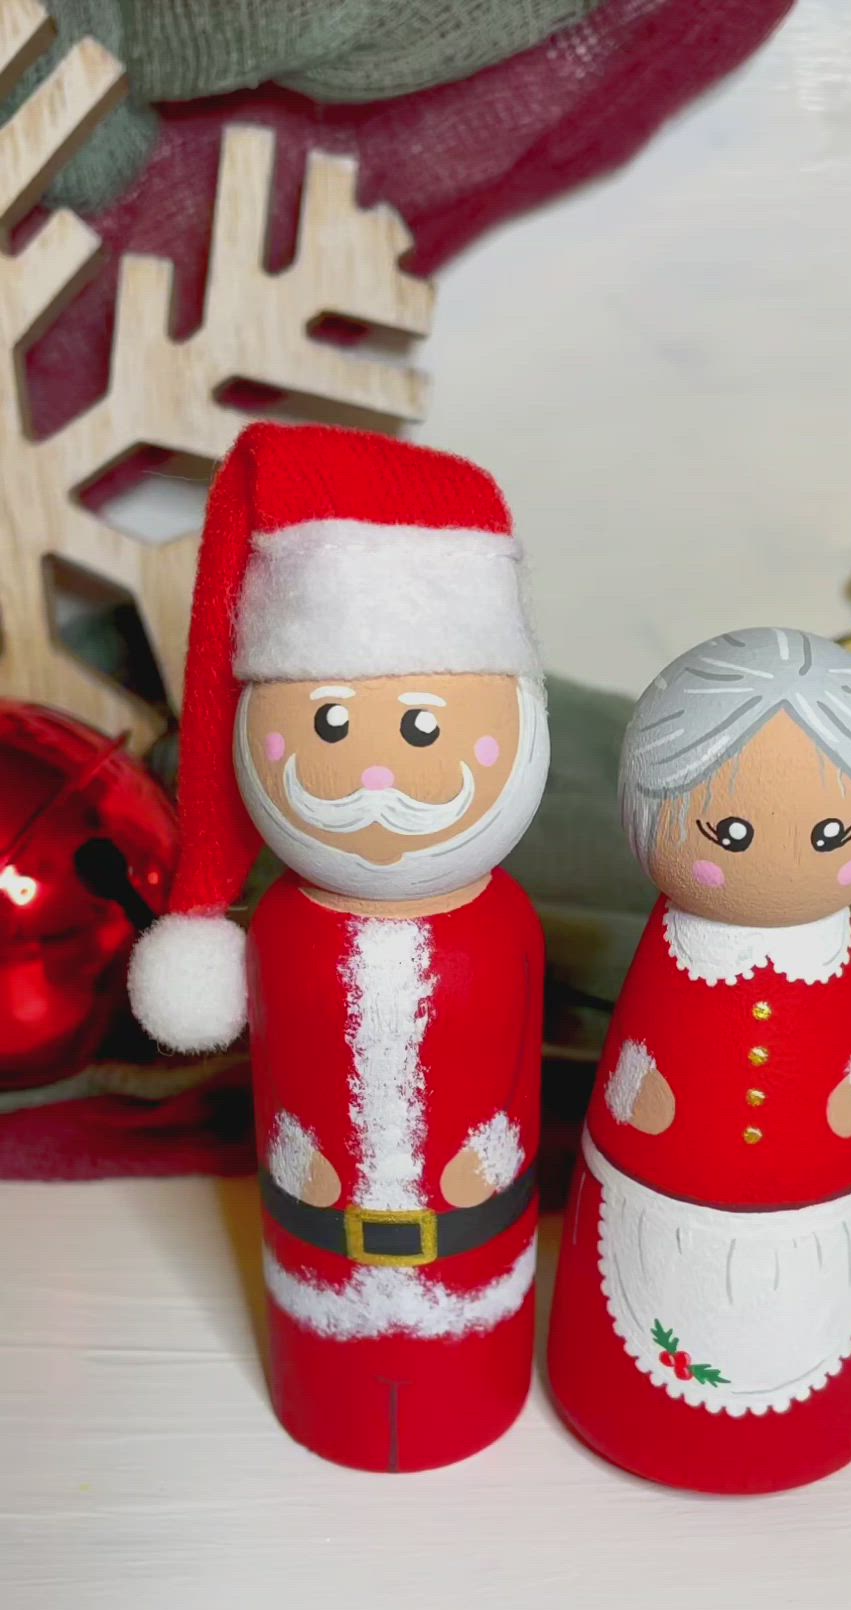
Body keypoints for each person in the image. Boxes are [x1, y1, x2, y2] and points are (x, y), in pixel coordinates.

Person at [129, 422, 549, 1473]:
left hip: (474, 1268)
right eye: (324, 724)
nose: (372, 774)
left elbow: (503, 1078)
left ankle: (465, 1392)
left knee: (463, 1361)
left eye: (421, 728)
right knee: (335, 1373)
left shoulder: (499, 928)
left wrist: (486, 1159)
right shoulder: (286, 931)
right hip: (316, 1261)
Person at [548, 626, 851, 1493]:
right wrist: (647, 1101)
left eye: (833, 831)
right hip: (654, 1198)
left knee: (817, 1295)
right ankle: (628, 1404)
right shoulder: (679, 951)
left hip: (823, 1209)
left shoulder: (831, 958)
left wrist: (846, 1110)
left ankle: (812, 1417)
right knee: (649, 1281)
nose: (786, 851)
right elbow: (639, 1066)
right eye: (733, 830)